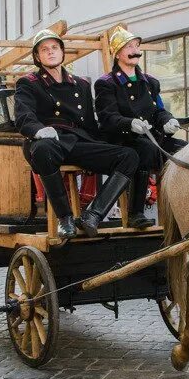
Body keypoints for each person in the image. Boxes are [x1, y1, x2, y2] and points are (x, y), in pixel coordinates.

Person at [15, 28, 139, 239]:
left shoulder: (80, 84)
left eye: (55, 48)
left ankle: (93, 215)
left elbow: (91, 125)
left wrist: (121, 133)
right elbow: (23, 115)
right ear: (37, 56)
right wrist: (39, 130)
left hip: (78, 141)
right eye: (44, 49)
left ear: (62, 52)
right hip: (48, 141)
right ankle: (65, 219)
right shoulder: (29, 83)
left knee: (129, 156)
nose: (51, 52)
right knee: (44, 149)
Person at [94, 27, 183, 228]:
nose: (134, 50)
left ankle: (187, 205)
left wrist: (168, 120)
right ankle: (136, 213)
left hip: (152, 135)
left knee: (187, 149)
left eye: (136, 46)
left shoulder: (150, 82)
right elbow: (107, 117)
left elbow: (158, 110)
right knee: (146, 150)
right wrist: (130, 124)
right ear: (117, 53)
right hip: (123, 139)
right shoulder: (106, 83)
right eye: (128, 46)